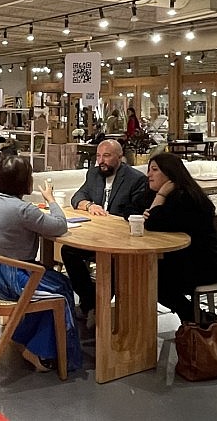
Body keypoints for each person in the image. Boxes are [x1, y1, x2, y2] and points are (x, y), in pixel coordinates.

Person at [0, 155, 82, 372]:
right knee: (60, 290)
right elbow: (60, 225)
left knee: (53, 282)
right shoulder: (24, 210)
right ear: (24, 181)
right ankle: (40, 352)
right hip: (13, 280)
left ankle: (22, 335)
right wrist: (51, 199)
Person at [60, 139, 148, 328]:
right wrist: (89, 205)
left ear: (120, 157)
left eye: (106, 156)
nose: (101, 161)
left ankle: (96, 307)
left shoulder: (135, 179)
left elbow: (135, 212)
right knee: (68, 250)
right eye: (99, 156)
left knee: (112, 260)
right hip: (96, 235)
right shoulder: (94, 174)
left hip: (121, 240)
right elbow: (78, 197)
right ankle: (91, 302)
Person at [143, 152, 217, 323]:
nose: (149, 174)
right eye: (149, 169)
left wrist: (160, 196)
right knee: (145, 273)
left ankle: (195, 318)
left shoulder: (185, 197)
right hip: (186, 258)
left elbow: (151, 223)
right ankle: (195, 318)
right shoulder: (162, 193)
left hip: (209, 264)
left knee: (150, 279)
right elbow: (131, 209)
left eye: (154, 170)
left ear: (170, 174)